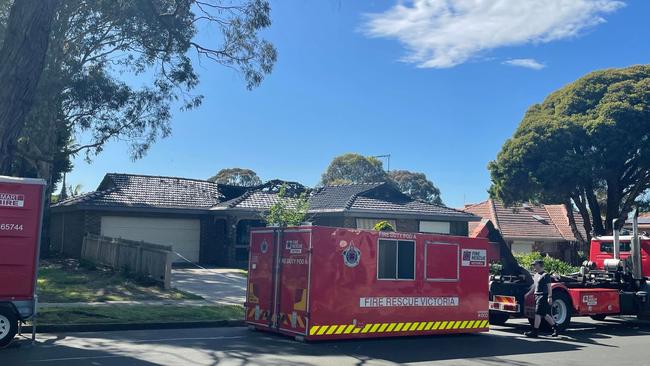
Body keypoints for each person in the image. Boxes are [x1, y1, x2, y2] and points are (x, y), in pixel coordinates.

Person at [525, 259, 560, 338]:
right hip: (537, 296)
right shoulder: (536, 275)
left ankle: (535, 331)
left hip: (543, 296)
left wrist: (549, 297)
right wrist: (528, 294)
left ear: (540, 265)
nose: (533, 266)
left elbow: (549, 287)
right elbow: (534, 286)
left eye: (535, 264)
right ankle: (556, 327)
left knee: (537, 313)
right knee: (544, 314)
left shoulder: (545, 275)